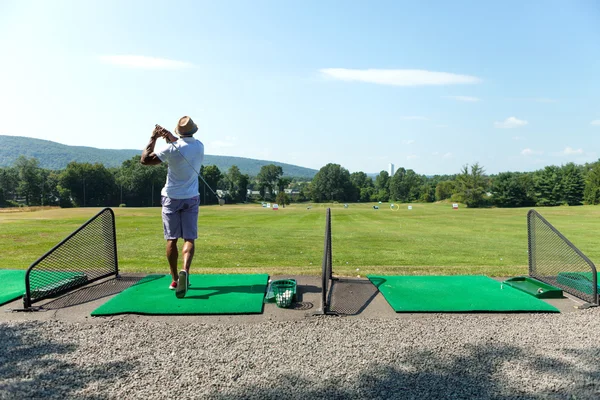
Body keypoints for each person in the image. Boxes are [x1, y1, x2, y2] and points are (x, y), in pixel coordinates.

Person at [140, 116, 205, 298]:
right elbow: (183, 145)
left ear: (178, 132)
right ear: (193, 131)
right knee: (189, 239)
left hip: (171, 198)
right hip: (191, 197)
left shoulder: (169, 149)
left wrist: (153, 137)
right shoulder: (199, 146)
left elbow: (145, 160)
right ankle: (185, 270)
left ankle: (175, 279)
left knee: (172, 239)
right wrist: (169, 136)